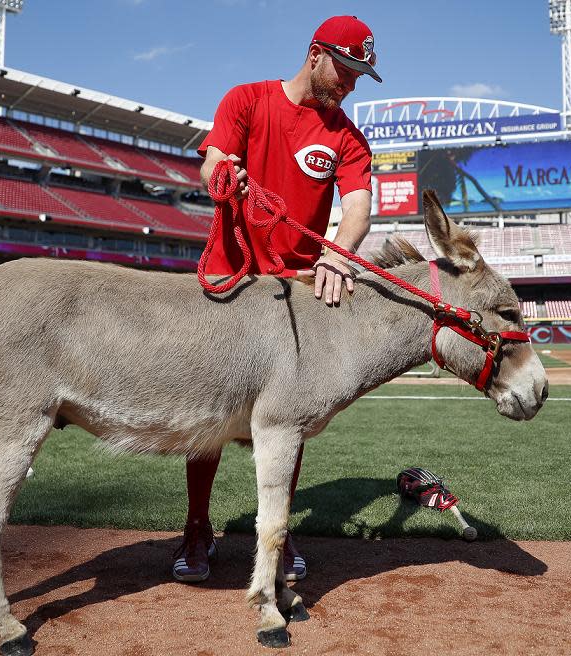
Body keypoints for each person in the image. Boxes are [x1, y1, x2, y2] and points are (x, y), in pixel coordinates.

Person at [172, 15, 381, 584]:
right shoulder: (247, 100)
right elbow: (215, 157)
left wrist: (338, 254)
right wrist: (221, 172)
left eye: (362, 74)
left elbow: (358, 206)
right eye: (348, 69)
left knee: (289, 415)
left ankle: (278, 534)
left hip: (293, 289)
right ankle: (197, 527)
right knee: (211, 414)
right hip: (233, 278)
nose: (353, 84)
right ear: (315, 54)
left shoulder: (346, 137)